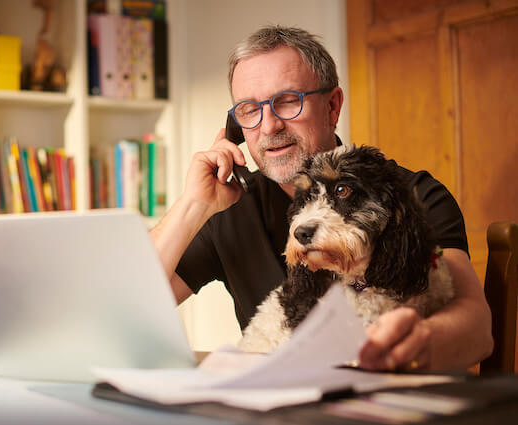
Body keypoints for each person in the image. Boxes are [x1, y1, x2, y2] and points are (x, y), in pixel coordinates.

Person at [151, 25, 493, 371]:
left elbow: (477, 329)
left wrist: (411, 344)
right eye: (250, 110)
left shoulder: (411, 196)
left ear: (332, 107)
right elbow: (121, 305)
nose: (269, 127)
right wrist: (193, 205)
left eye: (287, 101)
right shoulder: (230, 206)